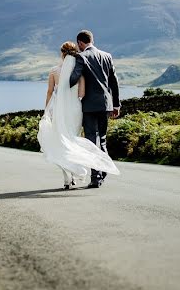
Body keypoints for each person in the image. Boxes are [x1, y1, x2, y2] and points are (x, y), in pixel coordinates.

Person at [37, 41, 120, 189]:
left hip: (60, 110)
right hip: (76, 110)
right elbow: (81, 94)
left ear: (62, 53)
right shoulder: (79, 73)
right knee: (75, 141)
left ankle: (68, 177)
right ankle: (92, 170)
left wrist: (46, 111)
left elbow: (50, 92)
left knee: (62, 141)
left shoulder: (54, 71)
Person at [69, 29, 120, 188]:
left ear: (80, 43)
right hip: (106, 104)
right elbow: (114, 82)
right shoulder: (107, 56)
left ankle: (96, 177)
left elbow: (73, 79)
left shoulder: (81, 57)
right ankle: (103, 170)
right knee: (102, 139)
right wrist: (116, 104)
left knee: (92, 140)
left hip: (90, 106)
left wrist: (65, 82)